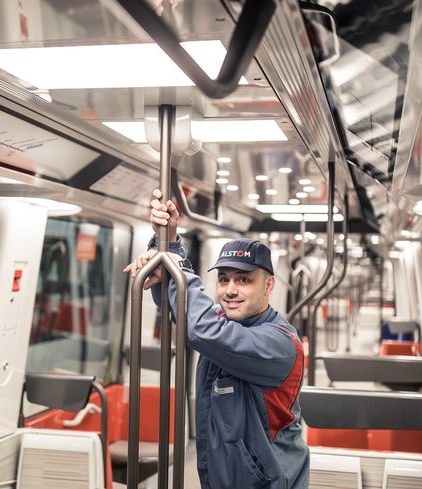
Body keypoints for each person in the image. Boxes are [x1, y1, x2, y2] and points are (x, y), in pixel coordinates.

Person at [123, 189, 310, 489]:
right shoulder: (222, 322)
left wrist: (176, 265)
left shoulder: (280, 345)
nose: (230, 290)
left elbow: (200, 328)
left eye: (244, 279)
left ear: (269, 285)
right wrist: (166, 243)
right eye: (223, 279)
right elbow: (183, 310)